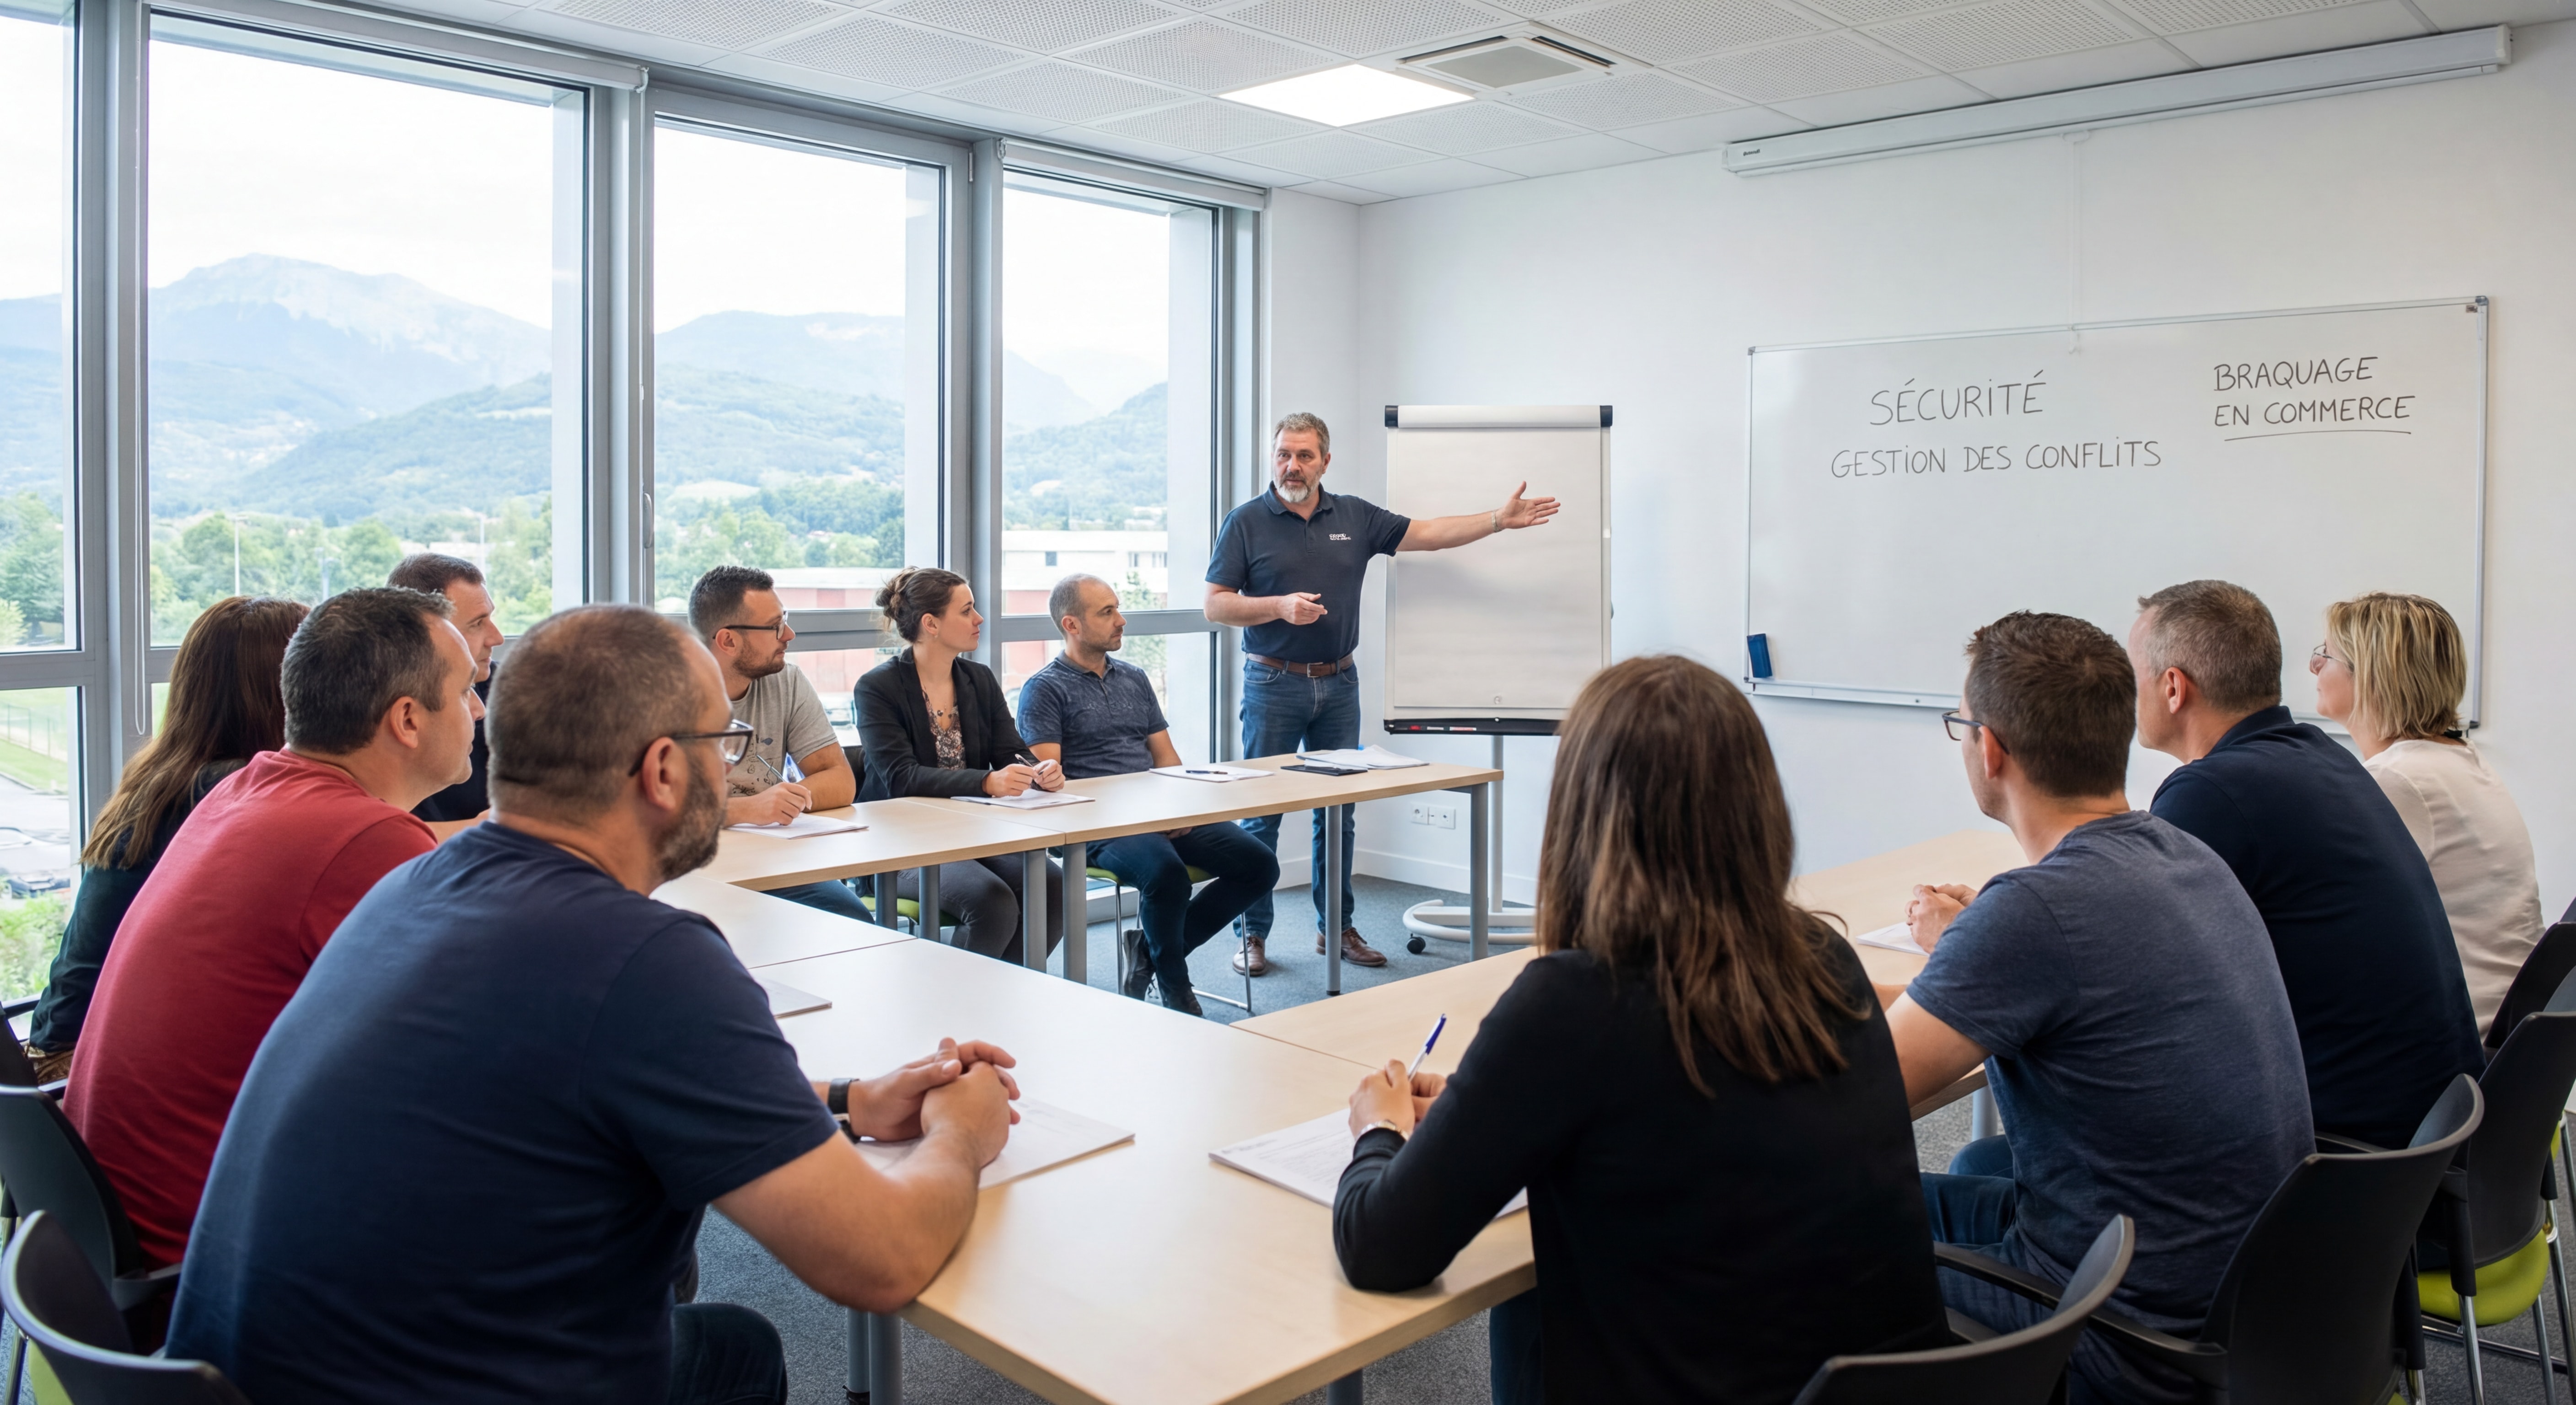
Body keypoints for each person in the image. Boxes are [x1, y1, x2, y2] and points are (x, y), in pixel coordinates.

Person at [167, 605, 1019, 1405]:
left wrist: (843, 1101)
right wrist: (962, 1132)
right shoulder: (647, 959)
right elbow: (879, 1261)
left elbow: (572, 1073)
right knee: (737, 1350)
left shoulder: (412, 884)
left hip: (255, 1375)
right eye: (721, 741)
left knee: (726, 1338)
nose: (729, 765)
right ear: (662, 769)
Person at [1332, 655, 1945, 1404]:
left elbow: (1380, 1248)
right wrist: (1484, 1102)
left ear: (1580, 812)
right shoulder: (1822, 957)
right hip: (1872, 1389)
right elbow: (1679, 1104)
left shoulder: (1572, 1002)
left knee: (1531, 1302)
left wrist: (1380, 1132)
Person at [1888, 611, 2311, 1405]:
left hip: (2120, 1339)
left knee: (1804, 1233)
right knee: (1903, 1193)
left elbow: (1857, 1089)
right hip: (2235, 1310)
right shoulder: (2185, 855)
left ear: (1989, 748)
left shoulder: (2034, 911)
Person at [64, 587, 480, 1269]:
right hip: (229, 1278)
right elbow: (484, 1051)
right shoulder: (364, 836)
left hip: (129, 1258)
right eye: (466, 691)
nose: (480, 710)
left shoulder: (244, 790)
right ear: (408, 719)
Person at [1204, 411, 1561, 977]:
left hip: (1339, 684)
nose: (1291, 466)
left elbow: (1429, 534)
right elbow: (1215, 604)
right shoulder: (1246, 521)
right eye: (1282, 455)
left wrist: (1498, 519)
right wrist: (1277, 607)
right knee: (1261, 817)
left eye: (1303, 455)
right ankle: (1252, 934)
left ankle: (1336, 928)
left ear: (1325, 460)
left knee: (1338, 813)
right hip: (1272, 682)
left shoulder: (1355, 516)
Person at [2130, 579, 2483, 1148]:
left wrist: (1986, 934)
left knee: (2003, 1160)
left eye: (2133, 673)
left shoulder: (2212, 792)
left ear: (2173, 687)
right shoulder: (2322, 756)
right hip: (2421, 1131)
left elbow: (2130, 976)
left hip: (2338, 1155)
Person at [21, 596, 306, 1084]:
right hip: (84, 1066)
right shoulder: (231, 789)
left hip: (53, 1051)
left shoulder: (164, 773)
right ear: (286, 687)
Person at [1019, 575, 1277, 1016]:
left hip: (1157, 812)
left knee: (1259, 866)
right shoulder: (1044, 689)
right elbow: (1051, 784)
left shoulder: (1134, 679)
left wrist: (1175, 807)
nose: (1121, 621)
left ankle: (1150, 951)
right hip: (1098, 825)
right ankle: (1176, 986)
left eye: (1118, 609)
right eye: (1107, 613)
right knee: (1167, 874)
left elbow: (1166, 759)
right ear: (1072, 624)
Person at [2314, 591, 2544, 1035]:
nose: (2315, 668)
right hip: (2503, 1046)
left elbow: (2327, 924)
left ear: (2373, 676)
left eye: (2327, 655)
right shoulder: (2456, 761)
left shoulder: (2401, 780)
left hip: (2455, 1053)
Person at [853, 565, 1065, 963]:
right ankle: (958, 1008)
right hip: (899, 843)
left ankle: (1005, 997)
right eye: (967, 611)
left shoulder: (978, 679)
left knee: (1052, 886)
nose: (980, 619)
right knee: (992, 902)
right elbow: (902, 778)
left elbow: (1010, 752)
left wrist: (1040, 771)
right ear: (931, 624)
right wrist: (988, 783)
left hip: (969, 834)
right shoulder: (877, 688)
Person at [689, 564, 864, 918]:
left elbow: (840, 781)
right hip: (691, 863)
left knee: (851, 919)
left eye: (784, 621)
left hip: (773, 858)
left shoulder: (787, 681)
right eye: (774, 628)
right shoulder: (663, 693)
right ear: (728, 641)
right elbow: (655, 810)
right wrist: (750, 810)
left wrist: (782, 802)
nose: (790, 635)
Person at [389, 552, 505, 837]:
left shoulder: (511, 692)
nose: (497, 638)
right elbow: (384, 837)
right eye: (477, 624)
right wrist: (489, 830)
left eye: (490, 618)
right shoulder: (384, 706)